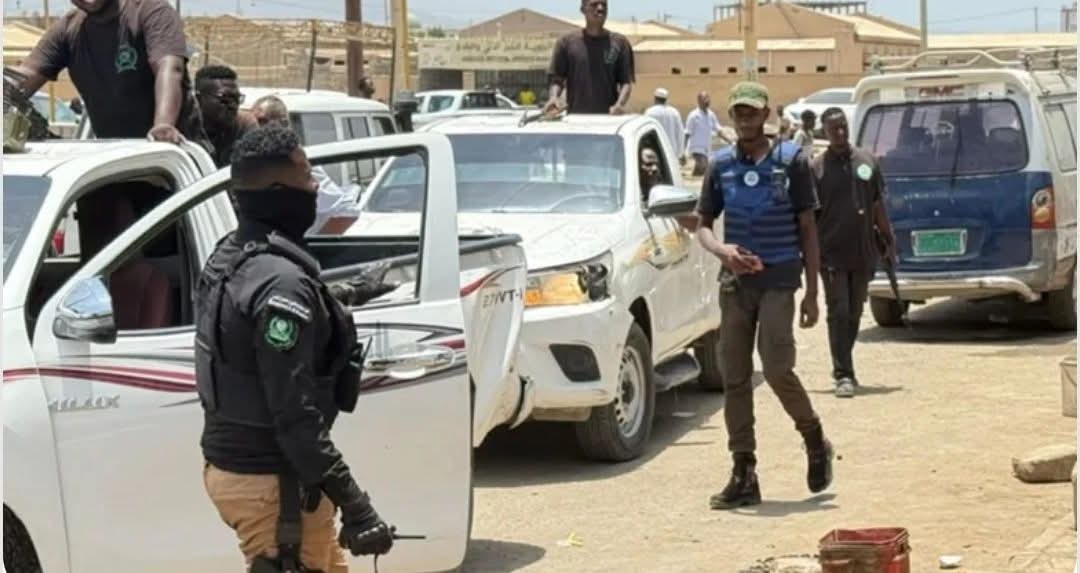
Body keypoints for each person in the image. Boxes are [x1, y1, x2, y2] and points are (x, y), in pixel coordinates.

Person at [196, 126, 395, 573]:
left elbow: (249, 328)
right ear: (277, 193)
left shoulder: (231, 255)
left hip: (243, 471)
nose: (316, 187)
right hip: (273, 485)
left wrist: (346, 294)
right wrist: (357, 506)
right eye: (306, 176)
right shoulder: (281, 283)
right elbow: (293, 415)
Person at [695, 81, 833, 510]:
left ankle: (813, 437)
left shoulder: (791, 161)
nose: (745, 119)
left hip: (779, 280)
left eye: (752, 112)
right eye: (739, 112)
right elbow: (703, 225)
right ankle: (744, 471)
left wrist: (813, 293)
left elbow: (808, 228)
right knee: (734, 376)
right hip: (736, 285)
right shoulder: (720, 165)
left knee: (776, 368)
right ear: (731, 115)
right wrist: (723, 251)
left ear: (766, 114)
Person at [11, 0, 204, 144]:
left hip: (173, 157)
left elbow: (169, 68)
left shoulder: (150, 11)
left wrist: (163, 125)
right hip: (114, 159)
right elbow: (23, 76)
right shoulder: (67, 30)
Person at [811, 107, 895, 399]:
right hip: (830, 253)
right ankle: (843, 374)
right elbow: (808, 217)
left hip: (862, 251)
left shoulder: (867, 161)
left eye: (843, 127)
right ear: (824, 131)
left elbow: (876, 204)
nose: (840, 133)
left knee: (855, 311)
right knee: (839, 311)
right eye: (833, 128)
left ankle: (844, 362)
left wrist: (888, 238)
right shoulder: (816, 168)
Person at [250, 94, 362, 235]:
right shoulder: (256, 163)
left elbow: (346, 211)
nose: (255, 128)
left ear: (283, 124)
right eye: (253, 122)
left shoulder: (298, 163)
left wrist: (314, 243)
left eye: (261, 121)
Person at [545, 0, 635, 115]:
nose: (600, 8)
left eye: (604, 5)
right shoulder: (566, 43)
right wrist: (553, 98)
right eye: (594, 4)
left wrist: (620, 104)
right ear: (583, 9)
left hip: (609, 120)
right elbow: (557, 79)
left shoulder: (619, 43)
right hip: (575, 119)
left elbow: (626, 82)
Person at [196, 65, 255, 168]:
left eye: (237, 98)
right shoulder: (183, 126)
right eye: (225, 99)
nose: (233, 106)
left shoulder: (243, 125)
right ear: (199, 99)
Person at [684, 91, 724, 177]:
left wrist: (730, 141)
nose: (707, 101)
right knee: (703, 166)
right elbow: (687, 133)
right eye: (704, 99)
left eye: (708, 98)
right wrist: (683, 151)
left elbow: (718, 130)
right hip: (696, 148)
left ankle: (691, 179)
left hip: (706, 149)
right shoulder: (693, 116)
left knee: (701, 171)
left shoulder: (711, 115)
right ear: (698, 101)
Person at [644, 87, 685, 160]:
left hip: (655, 151)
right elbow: (680, 133)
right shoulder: (674, 112)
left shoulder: (649, 112)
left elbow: (645, 131)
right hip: (672, 152)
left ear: (655, 99)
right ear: (666, 99)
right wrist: (680, 153)